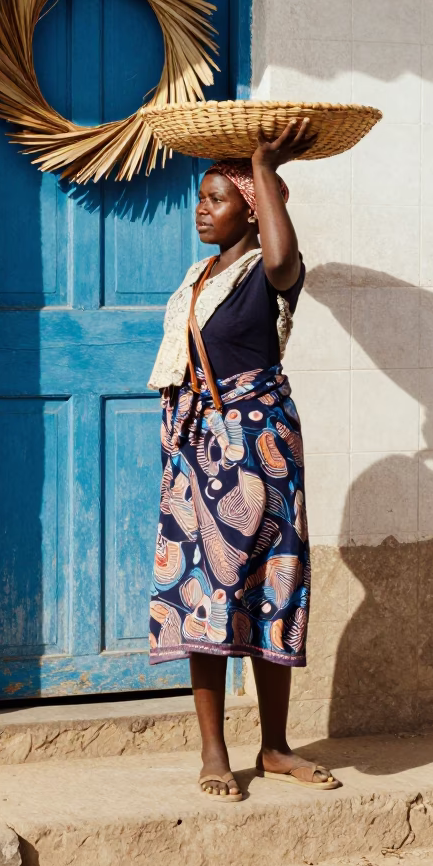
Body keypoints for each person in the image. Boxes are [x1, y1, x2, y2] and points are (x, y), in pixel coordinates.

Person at [147, 120, 340, 801]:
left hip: (264, 454)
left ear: (252, 208)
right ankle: (213, 751)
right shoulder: (199, 277)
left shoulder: (270, 273)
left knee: (270, 589)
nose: (201, 208)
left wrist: (261, 162)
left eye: (215, 198)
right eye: (200, 197)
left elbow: (285, 252)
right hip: (202, 454)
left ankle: (277, 747)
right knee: (203, 593)